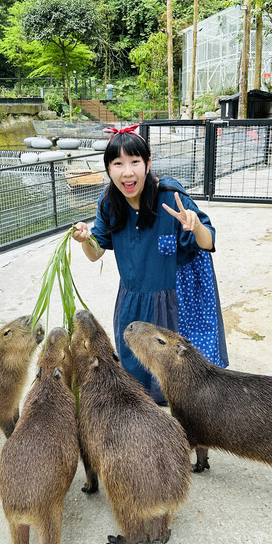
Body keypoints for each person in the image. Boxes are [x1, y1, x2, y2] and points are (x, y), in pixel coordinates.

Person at [72, 124, 228, 403]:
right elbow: (95, 253)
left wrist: (194, 226)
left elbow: (208, 242)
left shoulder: (170, 195)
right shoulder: (109, 203)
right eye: (118, 163)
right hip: (132, 296)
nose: (127, 171)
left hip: (172, 297)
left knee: (177, 376)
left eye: (135, 162)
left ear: (147, 164)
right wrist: (85, 239)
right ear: (109, 169)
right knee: (135, 371)